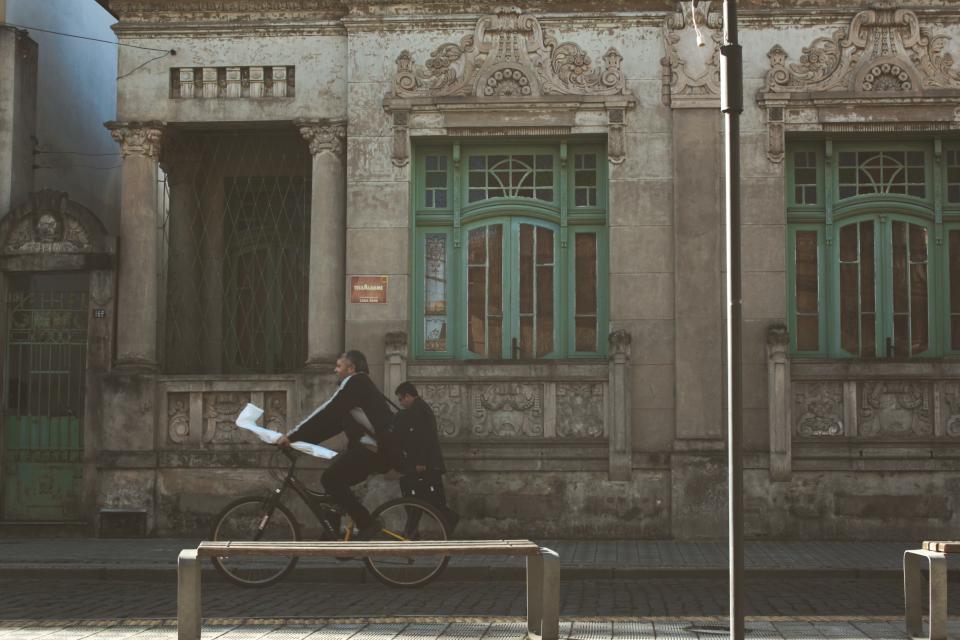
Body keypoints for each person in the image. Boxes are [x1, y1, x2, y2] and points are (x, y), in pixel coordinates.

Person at [276, 350, 393, 538]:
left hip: (374, 451)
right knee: (335, 486)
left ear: (351, 368)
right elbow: (331, 426)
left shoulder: (356, 382)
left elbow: (326, 412)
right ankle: (333, 535)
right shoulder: (358, 389)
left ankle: (367, 524)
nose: (335, 369)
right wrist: (299, 444)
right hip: (372, 451)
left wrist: (292, 436)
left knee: (330, 479)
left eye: (339, 366)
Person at [393, 381, 457, 532]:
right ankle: (412, 531)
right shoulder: (417, 409)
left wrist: (421, 462)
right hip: (425, 464)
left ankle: (447, 520)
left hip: (424, 465)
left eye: (401, 399)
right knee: (417, 498)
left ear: (408, 396)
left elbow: (423, 437)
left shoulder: (419, 410)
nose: (401, 403)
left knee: (420, 499)